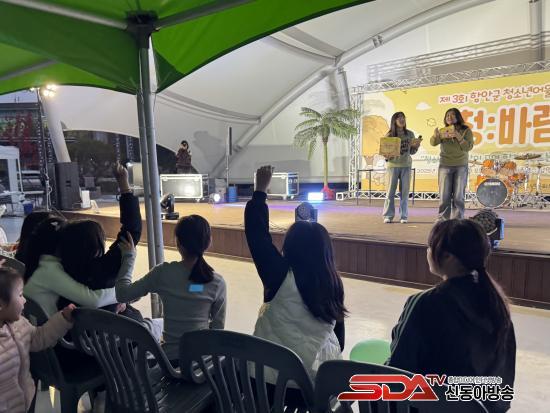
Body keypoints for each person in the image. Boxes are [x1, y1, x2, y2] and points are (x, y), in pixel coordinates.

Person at [387, 219, 516, 413]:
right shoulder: (497, 305)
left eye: (430, 247)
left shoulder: (426, 302)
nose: (428, 252)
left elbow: (398, 370)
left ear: (448, 257)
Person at [245, 165, 347, 382]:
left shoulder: (278, 274)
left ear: (289, 246)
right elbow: (340, 341)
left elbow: (257, 235)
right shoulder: (333, 283)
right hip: (312, 386)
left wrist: (260, 191)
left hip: (266, 382)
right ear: (326, 251)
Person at [115, 215, 226, 362]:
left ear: (178, 243)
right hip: (201, 365)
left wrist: (129, 257)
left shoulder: (163, 273)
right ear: (208, 242)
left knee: (152, 325)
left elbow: (122, 294)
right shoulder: (217, 283)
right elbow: (217, 330)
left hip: (170, 362)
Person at [0, 267, 75, 413]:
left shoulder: (19, 324)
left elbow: (39, 337)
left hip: (24, 402)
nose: (24, 300)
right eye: (20, 295)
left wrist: (63, 319)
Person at [430, 108, 474, 221]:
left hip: (461, 165)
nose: (449, 117)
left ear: (458, 117)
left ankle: (457, 219)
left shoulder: (466, 130)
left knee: (458, 196)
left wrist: (458, 136)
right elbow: (433, 143)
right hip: (445, 165)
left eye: (452, 115)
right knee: (444, 195)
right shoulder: (443, 130)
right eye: (447, 115)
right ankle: (443, 219)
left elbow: (468, 147)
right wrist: (435, 136)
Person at [382, 112, 421, 224]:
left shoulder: (410, 134)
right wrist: (386, 155)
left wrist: (416, 146)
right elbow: (385, 154)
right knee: (390, 192)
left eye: (403, 117)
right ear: (394, 121)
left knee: (404, 193)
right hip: (392, 166)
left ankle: (404, 216)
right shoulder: (389, 135)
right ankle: (388, 215)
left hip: (406, 166)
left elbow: (412, 152)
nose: (402, 119)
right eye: (399, 118)